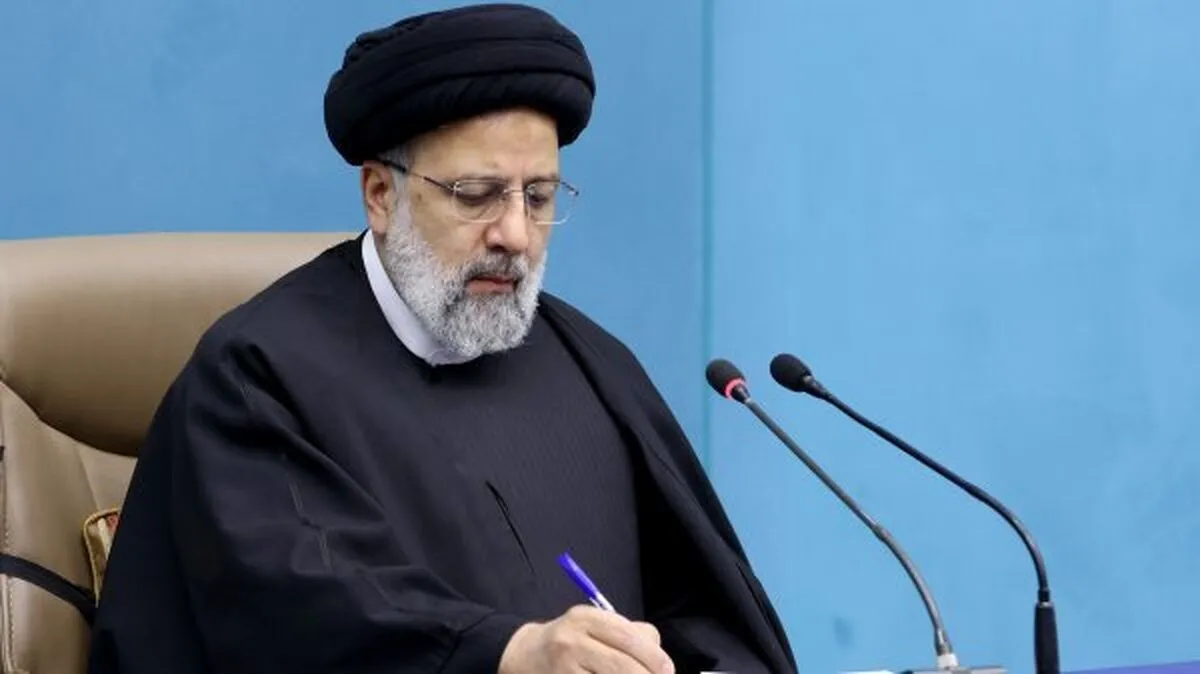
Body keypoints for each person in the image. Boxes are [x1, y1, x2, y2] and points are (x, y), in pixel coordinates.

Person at [88, 3, 796, 673]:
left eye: (539, 197)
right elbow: (304, 616)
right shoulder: (257, 376)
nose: (515, 234)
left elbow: (706, 614)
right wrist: (509, 654)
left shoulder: (591, 366)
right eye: (476, 195)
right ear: (380, 195)